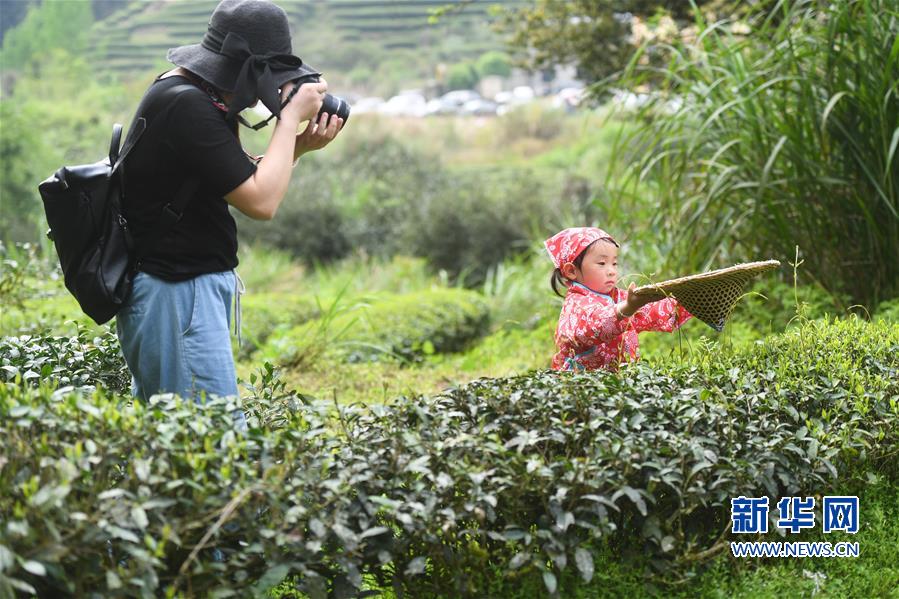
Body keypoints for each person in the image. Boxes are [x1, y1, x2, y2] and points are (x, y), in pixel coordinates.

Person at [116, 0, 343, 410]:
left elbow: (237, 180)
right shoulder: (187, 104)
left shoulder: (196, 94)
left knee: (171, 445)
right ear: (248, 71)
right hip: (178, 294)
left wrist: (297, 147)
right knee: (213, 443)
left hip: (181, 292)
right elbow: (261, 202)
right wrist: (288, 120)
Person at [545, 227, 692, 372]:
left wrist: (691, 298)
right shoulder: (576, 305)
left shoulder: (619, 297)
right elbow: (595, 326)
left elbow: (652, 311)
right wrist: (627, 308)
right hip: (585, 386)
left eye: (614, 263)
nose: (611, 271)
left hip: (620, 383)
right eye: (602, 263)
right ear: (571, 271)